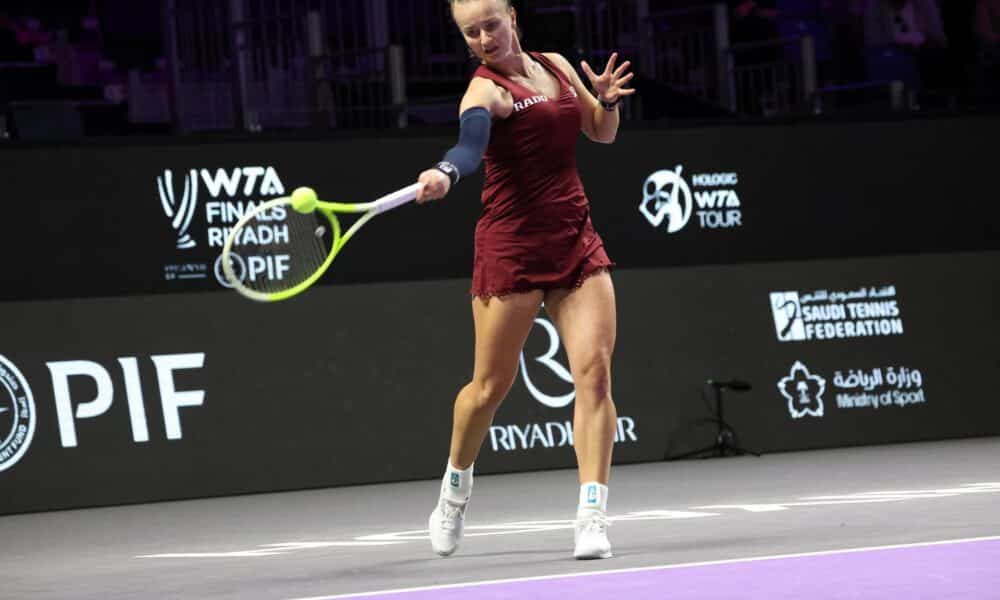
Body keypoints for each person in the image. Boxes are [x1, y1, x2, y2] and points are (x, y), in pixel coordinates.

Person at [414, 0, 634, 560]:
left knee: (596, 374)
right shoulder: (484, 91)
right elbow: (469, 145)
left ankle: (591, 516)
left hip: (574, 237)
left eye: (491, 24)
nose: (485, 38)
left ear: (512, 16)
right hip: (511, 248)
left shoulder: (557, 65)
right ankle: (454, 490)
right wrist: (445, 171)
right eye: (472, 32)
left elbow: (601, 134)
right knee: (488, 389)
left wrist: (606, 102)